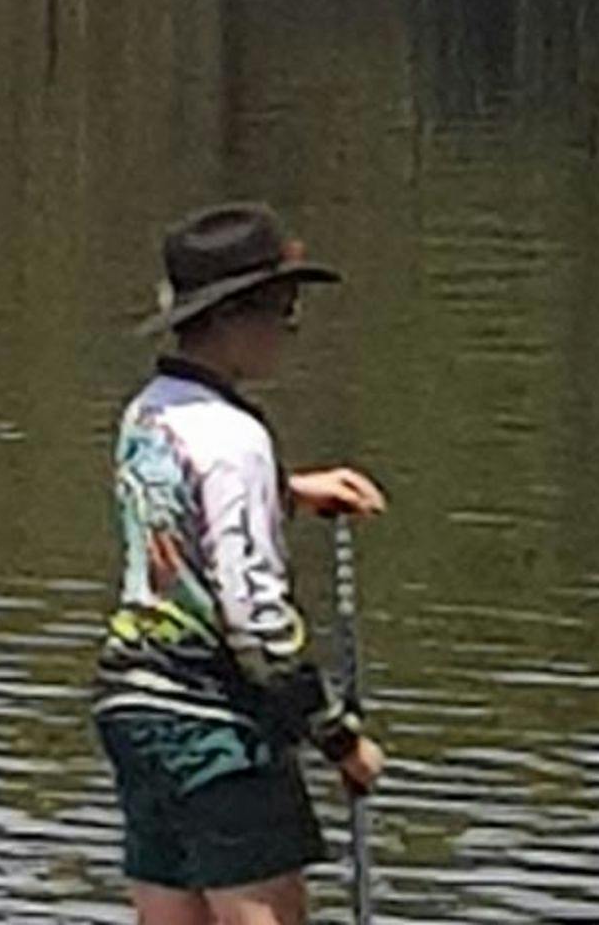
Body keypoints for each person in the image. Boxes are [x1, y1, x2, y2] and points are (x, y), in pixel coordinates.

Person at [94, 202, 392, 924]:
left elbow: (184, 511)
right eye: (283, 311)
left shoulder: (149, 414)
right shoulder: (236, 439)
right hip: (214, 725)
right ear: (231, 318)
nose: (291, 330)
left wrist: (289, 492)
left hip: (135, 708)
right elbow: (254, 615)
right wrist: (338, 737)